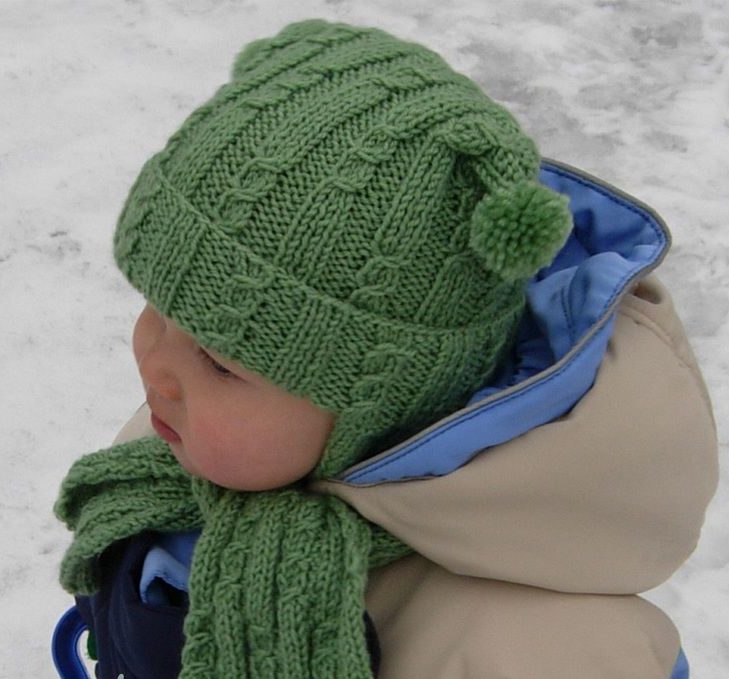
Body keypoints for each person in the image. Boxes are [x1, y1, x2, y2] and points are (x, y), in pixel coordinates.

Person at [53, 17, 718, 679]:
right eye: (160, 308)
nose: (156, 365)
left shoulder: (538, 648)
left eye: (219, 362)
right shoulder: (185, 447)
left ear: (376, 405)